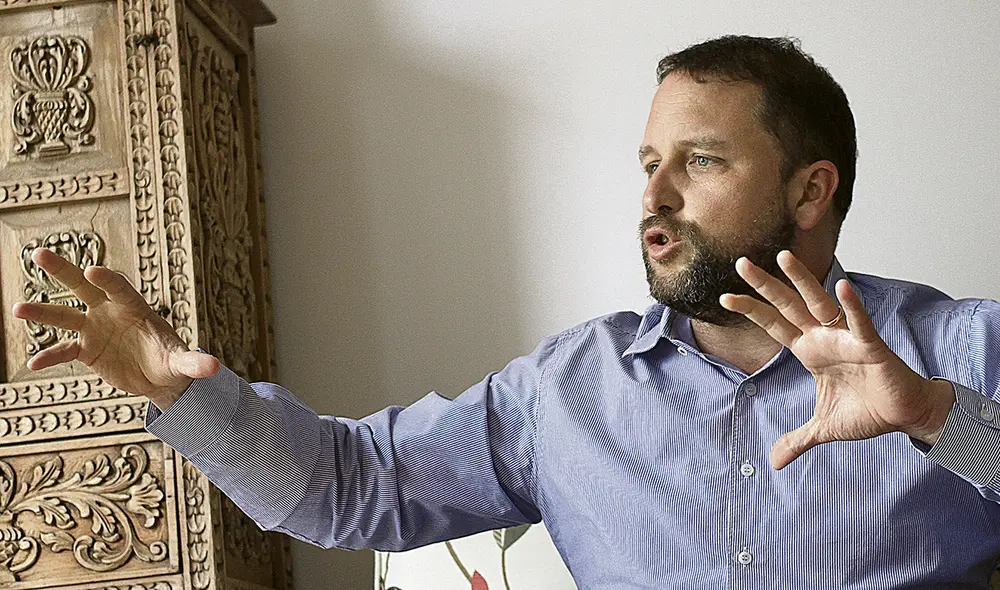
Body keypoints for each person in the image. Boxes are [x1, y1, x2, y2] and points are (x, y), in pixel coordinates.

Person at [11, 35, 1000, 588]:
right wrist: (180, 394)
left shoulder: (956, 349)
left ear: (810, 190)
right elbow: (351, 485)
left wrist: (931, 418)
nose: (653, 197)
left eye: (700, 161)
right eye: (648, 163)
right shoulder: (568, 392)